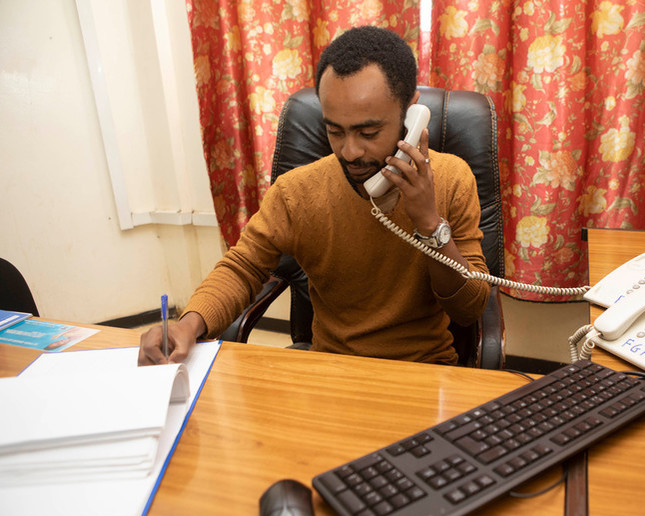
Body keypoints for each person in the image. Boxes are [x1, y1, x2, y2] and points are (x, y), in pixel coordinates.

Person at [138, 26, 490, 366]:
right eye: (334, 130)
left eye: (368, 132)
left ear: (411, 112)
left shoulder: (451, 179)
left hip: (425, 368)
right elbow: (242, 266)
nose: (350, 151)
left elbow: (469, 309)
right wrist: (188, 324)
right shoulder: (296, 192)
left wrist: (429, 223)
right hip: (329, 369)